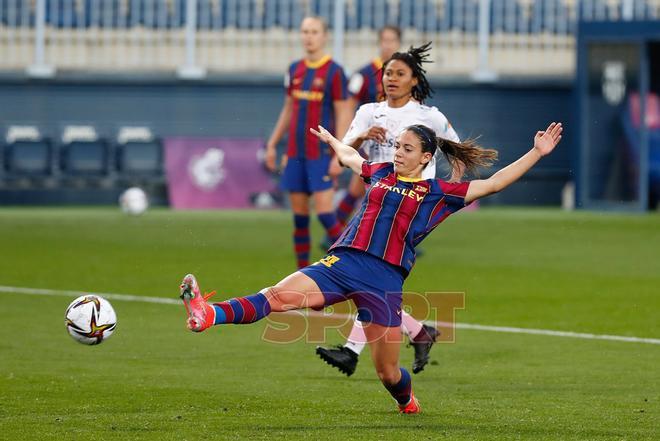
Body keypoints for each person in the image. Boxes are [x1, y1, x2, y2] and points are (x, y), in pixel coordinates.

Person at [179, 119, 563, 414]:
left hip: (384, 280)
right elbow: (352, 160)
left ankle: (407, 401)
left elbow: (493, 183)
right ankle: (207, 313)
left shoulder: (438, 194)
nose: (398, 152)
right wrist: (336, 143)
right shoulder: (379, 173)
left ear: (426, 157)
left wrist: (536, 153)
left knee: (387, 373)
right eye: (397, 146)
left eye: (407, 148)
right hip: (340, 261)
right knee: (277, 296)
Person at [316, 42, 465, 377]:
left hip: (411, 208)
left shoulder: (430, 116)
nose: (391, 79)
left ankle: (352, 351)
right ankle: (417, 332)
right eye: (387, 73)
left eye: (400, 73)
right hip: (379, 199)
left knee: (366, 272)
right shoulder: (369, 111)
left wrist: (448, 196)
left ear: (415, 80)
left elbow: (456, 151)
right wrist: (364, 135)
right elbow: (346, 149)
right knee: (372, 280)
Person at [265, 16, 352, 269]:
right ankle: (301, 275)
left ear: (324, 36)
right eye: (305, 31)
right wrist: (273, 143)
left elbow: (343, 112)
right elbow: (288, 109)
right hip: (295, 154)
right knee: (300, 219)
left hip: (321, 154)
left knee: (326, 214)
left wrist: (340, 152)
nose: (309, 36)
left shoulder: (334, 72)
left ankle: (349, 267)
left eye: (314, 31)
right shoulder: (294, 69)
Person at [334, 25, 402, 229]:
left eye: (392, 40)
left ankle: (336, 230)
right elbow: (348, 107)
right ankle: (337, 230)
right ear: (379, 43)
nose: (388, 44)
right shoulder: (364, 74)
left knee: (375, 190)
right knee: (371, 189)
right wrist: (346, 139)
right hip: (371, 142)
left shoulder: (406, 73)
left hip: (397, 142)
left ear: (398, 43)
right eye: (385, 40)